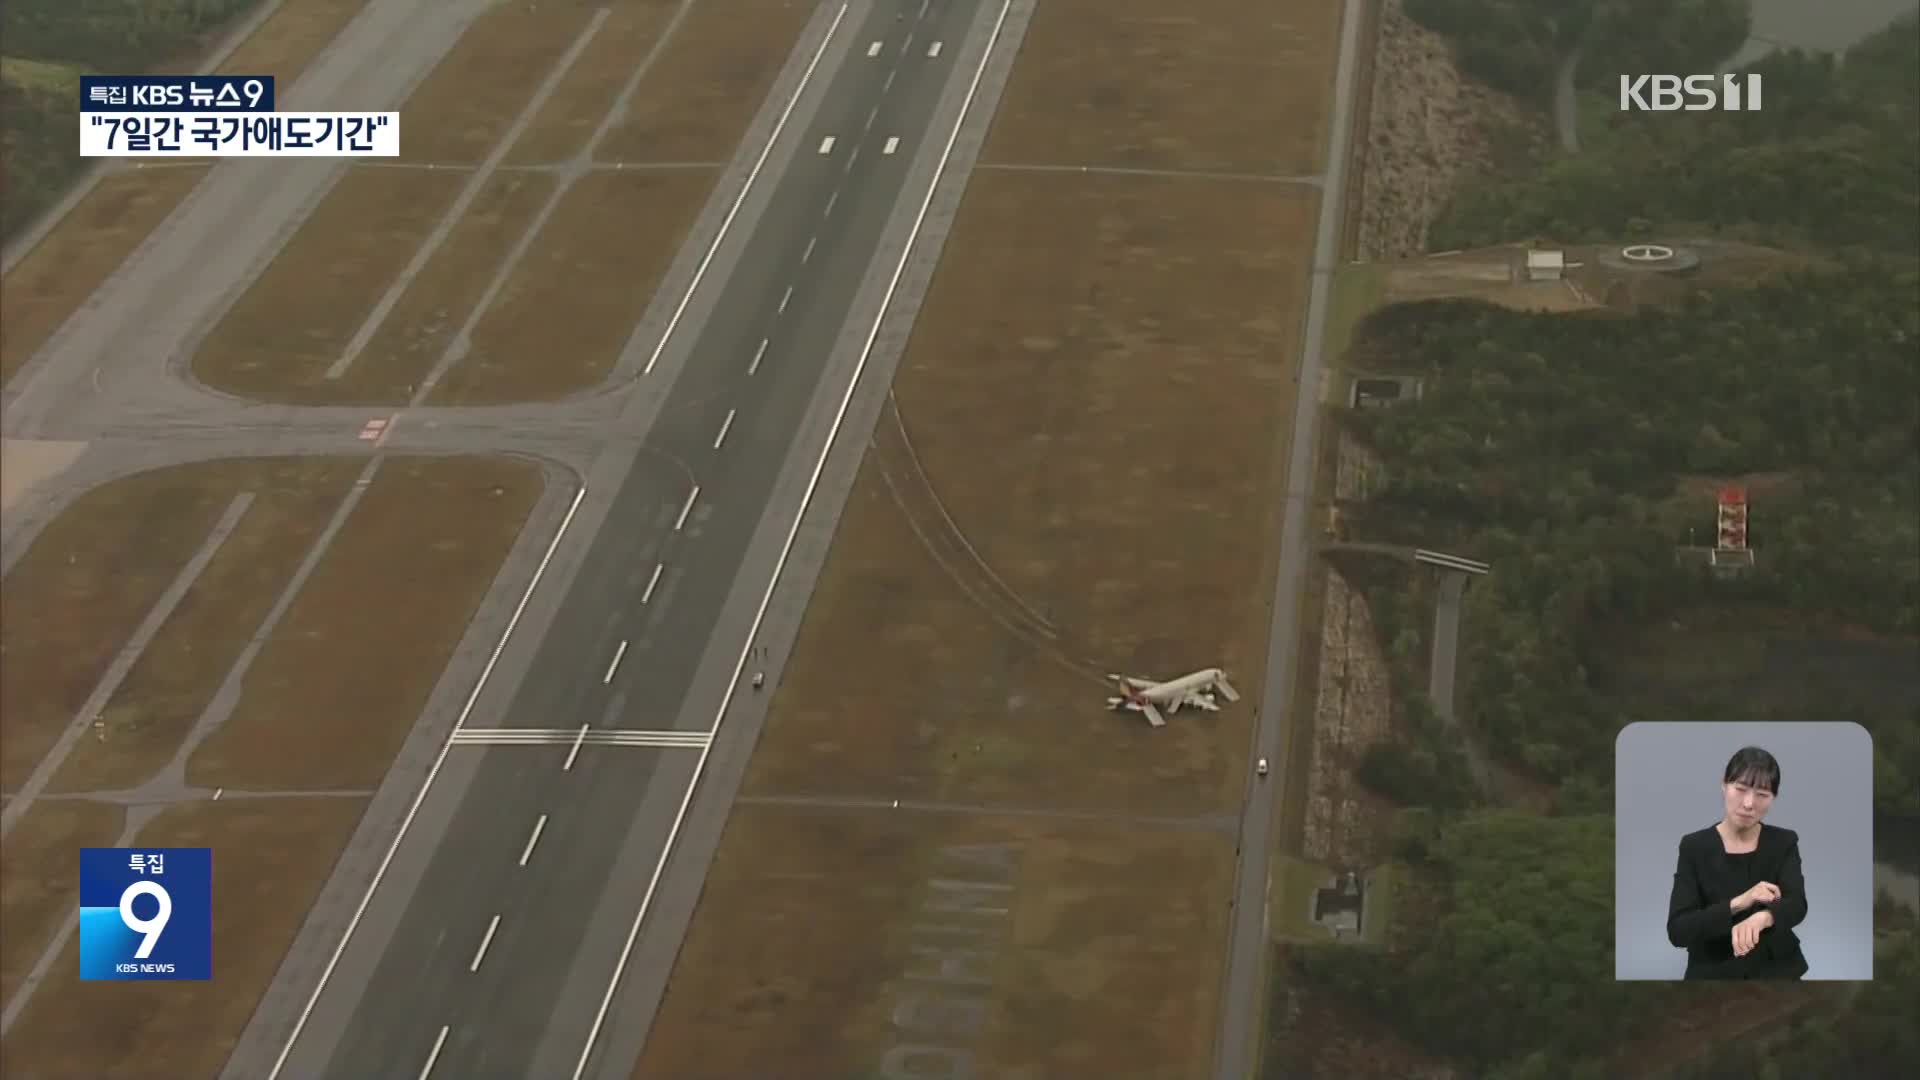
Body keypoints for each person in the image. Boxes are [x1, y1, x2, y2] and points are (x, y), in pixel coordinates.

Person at [1665, 746, 1809, 979]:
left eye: (1762, 795)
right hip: (1714, 975)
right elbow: (1678, 930)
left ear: (1774, 797)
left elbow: (1797, 905)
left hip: (1778, 972)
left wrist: (1763, 917)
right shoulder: (1694, 846)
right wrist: (1742, 901)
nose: (1749, 803)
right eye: (1740, 789)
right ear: (1724, 785)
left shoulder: (1784, 842)